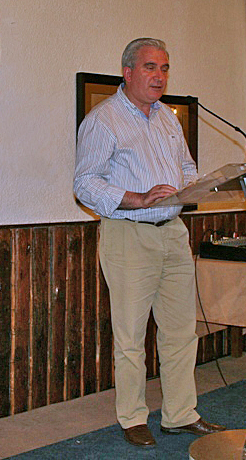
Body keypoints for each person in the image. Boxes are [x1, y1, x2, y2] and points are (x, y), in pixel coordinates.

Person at [73, 38, 225, 447]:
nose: (160, 76)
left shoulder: (168, 119)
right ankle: (133, 417)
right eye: (150, 67)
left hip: (173, 232)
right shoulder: (104, 120)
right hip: (129, 234)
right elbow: (84, 183)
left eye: (165, 68)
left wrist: (192, 187)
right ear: (128, 72)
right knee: (131, 337)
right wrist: (138, 198)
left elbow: (186, 166)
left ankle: (180, 414)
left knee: (181, 332)